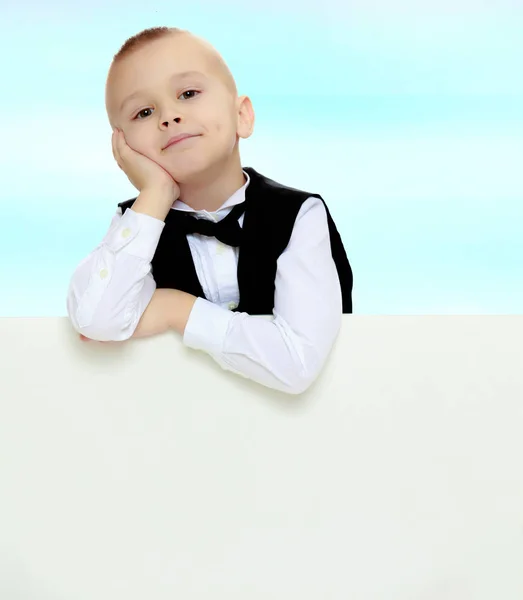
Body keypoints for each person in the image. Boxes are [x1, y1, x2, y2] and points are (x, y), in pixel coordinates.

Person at [66, 26, 353, 395]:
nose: (168, 117)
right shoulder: (136, 227)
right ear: (121, 149)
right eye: (143, 112)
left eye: (188, 93)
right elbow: (94, 319)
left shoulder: (298, 215)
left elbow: (297, 362)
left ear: (242, 116)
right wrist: (154, 194)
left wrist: (174, 309)